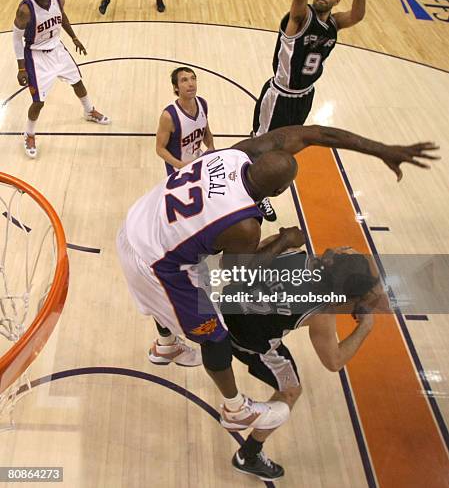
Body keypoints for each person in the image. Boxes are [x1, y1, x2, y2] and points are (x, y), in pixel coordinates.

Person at [116, 122, 438, 436]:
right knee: (213, 337)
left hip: (141, 217)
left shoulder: (235, 155)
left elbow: (315, 133)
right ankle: (236, 409)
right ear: (279, 191)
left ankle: (166, 345)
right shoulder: (244, 227)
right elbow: (237, 273)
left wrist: (381, 150)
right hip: (155, 260)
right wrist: (285, 240)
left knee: (186, 290)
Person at [221, 238, 385, 480]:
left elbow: (241, 263)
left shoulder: (291, 252)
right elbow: (334, 362)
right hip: (250, 343)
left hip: (223, 308)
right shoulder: (321, 311)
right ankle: (249, 454)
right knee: (291, 392)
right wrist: (365, 327)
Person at [253, 0, 365, 222]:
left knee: (286, 148)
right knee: (260, 146)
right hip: (279, 95)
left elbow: (358, 15)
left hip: (304, 97)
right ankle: (250, 195)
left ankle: (261, 191)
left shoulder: (334, 25)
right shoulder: (300, 18)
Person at [13, 0, 110, 159]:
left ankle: (89, 111)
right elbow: (17, 38)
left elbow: (62, 16)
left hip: (58, 49)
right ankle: (29, 134)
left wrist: (74, 37)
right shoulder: (25, 10)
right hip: (36, 56)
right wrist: (21, 68)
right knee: (38, 102)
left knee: (78, 82)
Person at [156, 67, 215, 175]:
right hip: (178, 170)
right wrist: (181, 166)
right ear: (176, 87)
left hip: (198, 163)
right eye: (184, 80)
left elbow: (206, 131)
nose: (191, 83)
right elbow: (160, 149)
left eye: (193, 78)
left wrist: (211, 146)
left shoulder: (202, 103)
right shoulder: (169, 116)